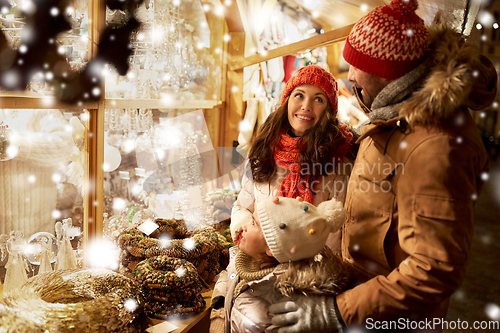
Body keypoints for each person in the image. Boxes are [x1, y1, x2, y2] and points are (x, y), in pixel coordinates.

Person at [269, 0, 497, 332]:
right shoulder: (395, 117)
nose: (351, 77)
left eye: (359, 67)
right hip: (364, 302)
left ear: (390, 75)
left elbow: (434, 266)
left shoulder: (435, 145)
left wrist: (338, 311)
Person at [230, 65, 354, 251]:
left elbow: (335, 238)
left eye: (318, 99)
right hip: (254, 263)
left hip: (306, 275)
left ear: (328, 111)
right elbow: (243, 207)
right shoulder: (263, 149)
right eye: (299, 95)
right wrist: (251, 244)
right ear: (287, 100)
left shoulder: (336, 163)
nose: (306, 106)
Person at [210, 196, 350, 333]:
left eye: (253, 223)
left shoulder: (279, 303)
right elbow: (230, 277)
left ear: (271, 247)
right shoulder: (245, 259)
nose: (243, 226)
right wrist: (219, 312)